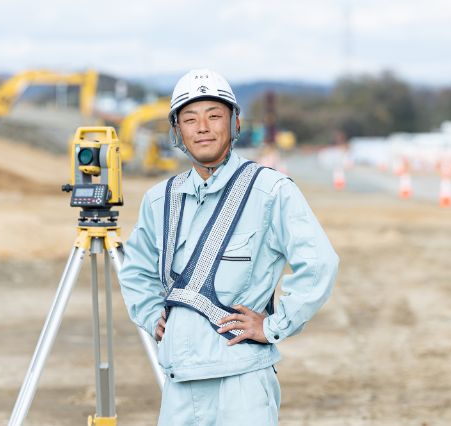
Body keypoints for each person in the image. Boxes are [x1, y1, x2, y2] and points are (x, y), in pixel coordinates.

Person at [118, 69, 339, 425]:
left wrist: (273, 327)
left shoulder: (271, 191)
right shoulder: (159, 199)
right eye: (190, 119)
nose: (202, 127)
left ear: (234, 123)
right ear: (177, 131)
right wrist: (149, 315)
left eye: (214, 116)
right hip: (179, 383)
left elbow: (319, 264)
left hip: (243, 381)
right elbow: (136, 269)